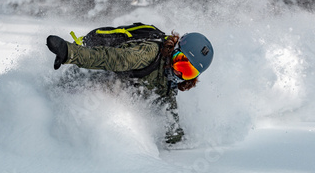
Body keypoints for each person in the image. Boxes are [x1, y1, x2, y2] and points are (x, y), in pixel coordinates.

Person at [46, 27, 214, 144]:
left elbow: (168, 115)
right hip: (89, 74)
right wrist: (70, 52)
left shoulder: (167, 85)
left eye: (188, 72)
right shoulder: (148, 53)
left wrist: (176, 140)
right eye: (179, 63)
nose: (179, 73)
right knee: (52, 99)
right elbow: (111, 58)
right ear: (173, 50)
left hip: (112, 85)